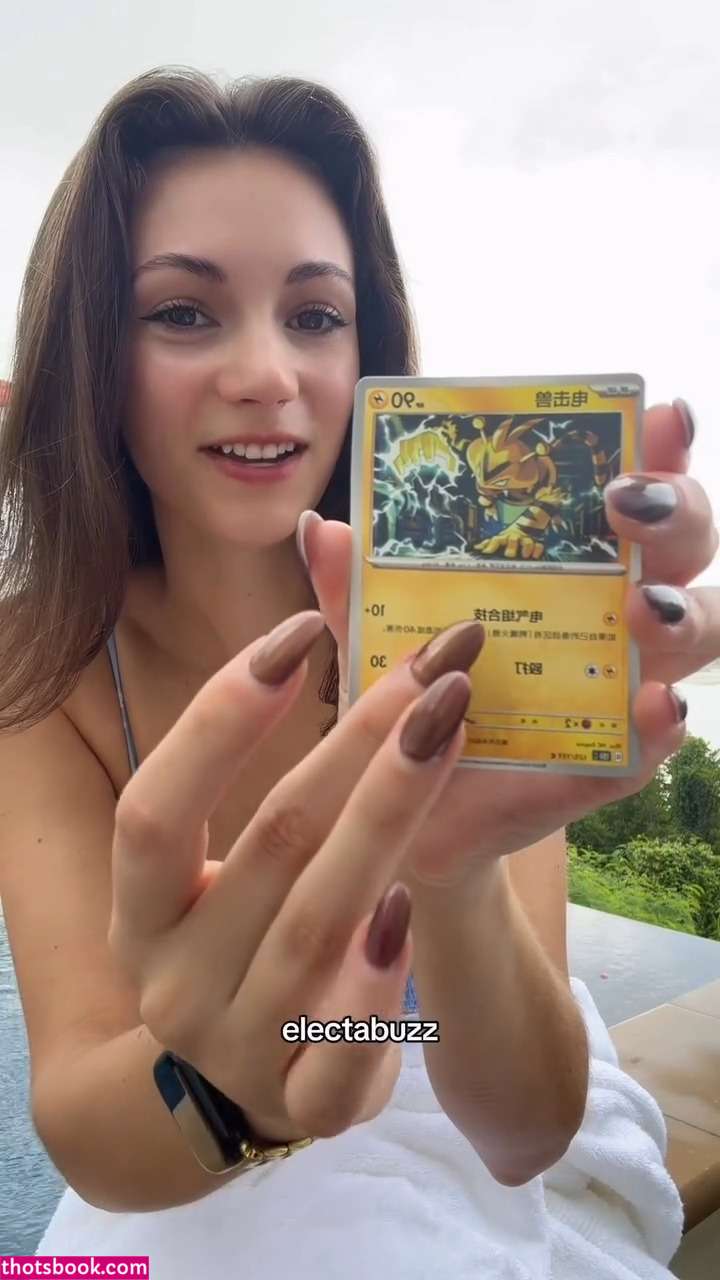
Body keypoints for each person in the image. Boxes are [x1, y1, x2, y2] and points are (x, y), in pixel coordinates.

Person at [0, 64, 716, 1280]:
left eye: (315, 315)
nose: (267, 373)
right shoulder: (40, 664)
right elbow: (83, 1114)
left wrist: (454, 869)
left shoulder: (460, 607)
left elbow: (525, 1132)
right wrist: (235, 1084)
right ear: (90, 356)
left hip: (464, 1138)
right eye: (184, 312)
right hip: (187, 1165)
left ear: (366, 348)